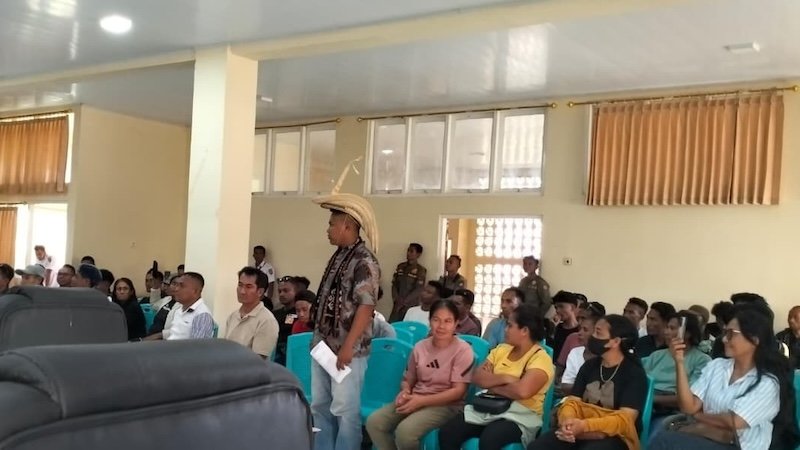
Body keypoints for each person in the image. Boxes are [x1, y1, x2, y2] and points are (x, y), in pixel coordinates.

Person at [649, 304, 800, 450]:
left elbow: (734, 421)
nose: (724, 339)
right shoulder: (717, 366)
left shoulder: (767, 382)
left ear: (754, 340)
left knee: (665, 442)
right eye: (725, 332)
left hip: (741, 446)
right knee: (665, 439)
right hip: (710, 438)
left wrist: (698, 417)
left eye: (731, 334)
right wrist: (679, 362)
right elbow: (689, 406)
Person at [310, 178, 381, 450]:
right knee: (320, 406)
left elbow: (366, 305)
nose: (327, 230)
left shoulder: (364, 260)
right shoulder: (340, 255)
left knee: (345, 411)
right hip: (324, 347)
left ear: (347, 226)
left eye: (332, 224)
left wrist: (349, 346)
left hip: (347, 350)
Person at [439, 303, 554, 450]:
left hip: (521, 415)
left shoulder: (540, 358)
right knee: (449, 432)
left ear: (524, 330)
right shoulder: (501, 349)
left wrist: (492, 384)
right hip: (489, 407)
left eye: (510, 326)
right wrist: (506, 378)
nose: (505, 330)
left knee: (491, 439)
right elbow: (477, 377)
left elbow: (522, 392)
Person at [527, 314, 648, 450]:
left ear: (615, 341)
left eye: (598, 333)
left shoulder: (634, 373)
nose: (592, 336)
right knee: (538, 447)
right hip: (580, 428)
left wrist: (584, 426)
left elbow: (625, 419)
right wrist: (568, 422)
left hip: (616, 436)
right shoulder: (589, 366)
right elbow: (572, 402)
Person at [366, 299, 473, 450]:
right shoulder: (420, 347)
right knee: (374, 422)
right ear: (430, 321)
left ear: (456, 324)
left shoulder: (463, 350)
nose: (441, 326)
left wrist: (421, 401)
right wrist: (405, 391)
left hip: (446, 405)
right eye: (436, 320)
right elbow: (408, 380)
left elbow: (458, 391)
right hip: (415, 398)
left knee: (405, 432)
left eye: (447, 321)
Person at [642, 311, 710, 432]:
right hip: (646, 401)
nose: (666, 332)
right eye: (666, 327)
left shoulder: (702, 360)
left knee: (655, 431)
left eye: (672, 328)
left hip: (673, 411)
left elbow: (691, 397)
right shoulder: (657, 355)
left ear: (687, 333)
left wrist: (651, 399)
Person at [225, 267, 279, 359]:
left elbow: (259, 360)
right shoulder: (233, 316)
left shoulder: (267, 320)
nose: (242, 291)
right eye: (240, 285)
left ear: (260, 292)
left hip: (249, 367)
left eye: (248, 287)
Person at [144, 273, 214, 340]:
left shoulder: (202, 315)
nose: (176, 289)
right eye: (176, 285)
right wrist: (156, 336)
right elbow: (175, 333)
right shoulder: (180, 309)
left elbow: (198, 347)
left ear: (195, 291)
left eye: (182, 286)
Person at [561, 307, 603, 396]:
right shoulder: (575, 353)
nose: (579, 333)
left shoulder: (606, 356)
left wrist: (579, 385)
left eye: (585, 330)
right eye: (580, 329)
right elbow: (565, 386)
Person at [557, 301, 605, 369]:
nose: (579, 322)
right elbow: (560, 366)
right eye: (578, 318)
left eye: (583, 318)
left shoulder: (605, 347)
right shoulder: (572, 338)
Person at [390, 243, 428, 322]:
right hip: (397, 304)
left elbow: (418, 289)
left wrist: (404, 302)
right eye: (408, 250)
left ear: (418, 254)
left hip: (410, 305)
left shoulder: (420, 270)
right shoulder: (400, 266)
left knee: (408, 326)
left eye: (411, 251)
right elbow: (394, 284)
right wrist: (396, 299)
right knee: (392, 325)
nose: (408, 253)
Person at [273, 276, 300, 364]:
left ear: (296, 292)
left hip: (293, 356)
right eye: (279, 291)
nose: (281, 294)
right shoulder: (274, 314)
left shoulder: (301, 314)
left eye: (286, 291)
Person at [551, 291, 580, 360]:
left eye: (561, 306)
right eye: (556, 308)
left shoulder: (581, 330)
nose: (557, 310)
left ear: (572, 307)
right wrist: (552, 328)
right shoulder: (556, 328)